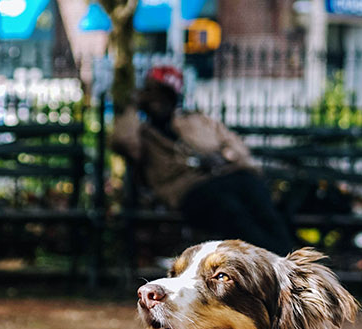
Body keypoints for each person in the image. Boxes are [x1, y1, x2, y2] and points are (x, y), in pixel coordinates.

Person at [114, 65, 294, 255]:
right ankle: (272, 259)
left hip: (225, 175)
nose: (157, 100)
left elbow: (235, 146)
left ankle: (284, 259)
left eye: (163, 94)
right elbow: (121, 141)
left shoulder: (196, 121)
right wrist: (133, 107)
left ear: (174, 97)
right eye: (152, 93)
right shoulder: (142, 133)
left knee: (256, 193)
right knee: (229, 209)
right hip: (187, 189)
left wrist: (225, 156)